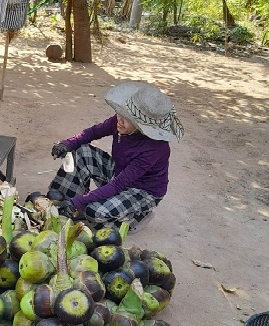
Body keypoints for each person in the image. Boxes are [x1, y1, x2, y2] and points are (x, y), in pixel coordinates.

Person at [48, 81, 184, 232]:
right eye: (121, 113)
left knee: (93, 212)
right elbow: (93, 132)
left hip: (141, 190)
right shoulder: (120, 121)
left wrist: (81, 201)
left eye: (128, 119)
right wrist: (67, 144)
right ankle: (62, 203)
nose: (119, 119)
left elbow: (118, 185)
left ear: (142, 127)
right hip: (120, 172)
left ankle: (136, 218)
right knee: (81, 151)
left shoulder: (155, 149)